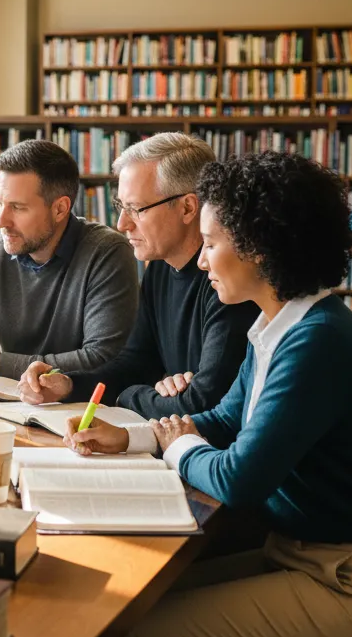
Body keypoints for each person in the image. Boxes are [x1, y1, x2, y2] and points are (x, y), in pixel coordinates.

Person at [67, 151, 352, 637]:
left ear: (256, 247)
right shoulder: (282, 325)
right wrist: (141, 439)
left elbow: (238, 476)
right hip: (305, 555)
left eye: (210, 244)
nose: (200, 262)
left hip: (346, 581)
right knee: (136, 607)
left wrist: (176, 446)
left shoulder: (318, 341)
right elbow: (225, 419)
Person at [18, 133, 258, 447]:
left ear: (187, 208)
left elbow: (201, 406)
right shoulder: (159, 266)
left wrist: (132, 394)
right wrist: (66, 384)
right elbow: (135, 362)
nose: (121, 224)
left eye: (136, 209)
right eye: (121, 206)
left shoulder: (227, 281)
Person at [0, 138, 138, 386]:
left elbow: (103, 360)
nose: (1, 221)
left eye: (17, 207)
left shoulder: (107, 252)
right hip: (8, 402)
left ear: (60, 209)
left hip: (82, 412)